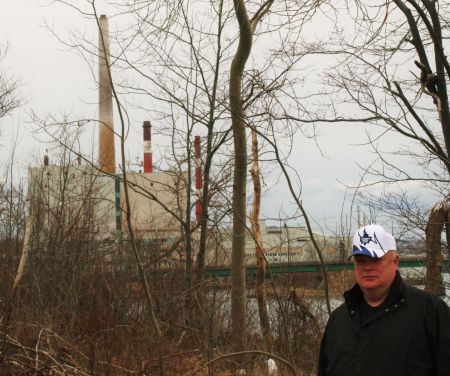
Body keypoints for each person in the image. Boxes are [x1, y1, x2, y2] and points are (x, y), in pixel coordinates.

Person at [318, 224, 450, 376]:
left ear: (395, 261)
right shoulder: (338, 320)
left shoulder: (430, 312)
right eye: (361, 260)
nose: (367, 267)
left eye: (375, 259)